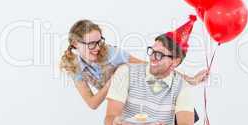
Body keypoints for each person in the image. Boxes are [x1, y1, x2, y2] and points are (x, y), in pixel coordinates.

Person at [60, 19, 208, 110]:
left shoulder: (111, 53)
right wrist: (113, 80)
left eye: (99, 41)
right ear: (75, 43)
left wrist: (191, 79)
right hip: (126, 108)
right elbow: (92, 103)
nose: (98, 47)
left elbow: (151, 66)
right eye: (92, 43)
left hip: (152, 97)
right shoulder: (74, 66)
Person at [104, 15, 201, 125]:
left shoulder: (181, 86)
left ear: (175, 61)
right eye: (152, 51)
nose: (153, 57)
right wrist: (114, 123)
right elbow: (109, 118)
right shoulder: (125, 72)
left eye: (160, 54)